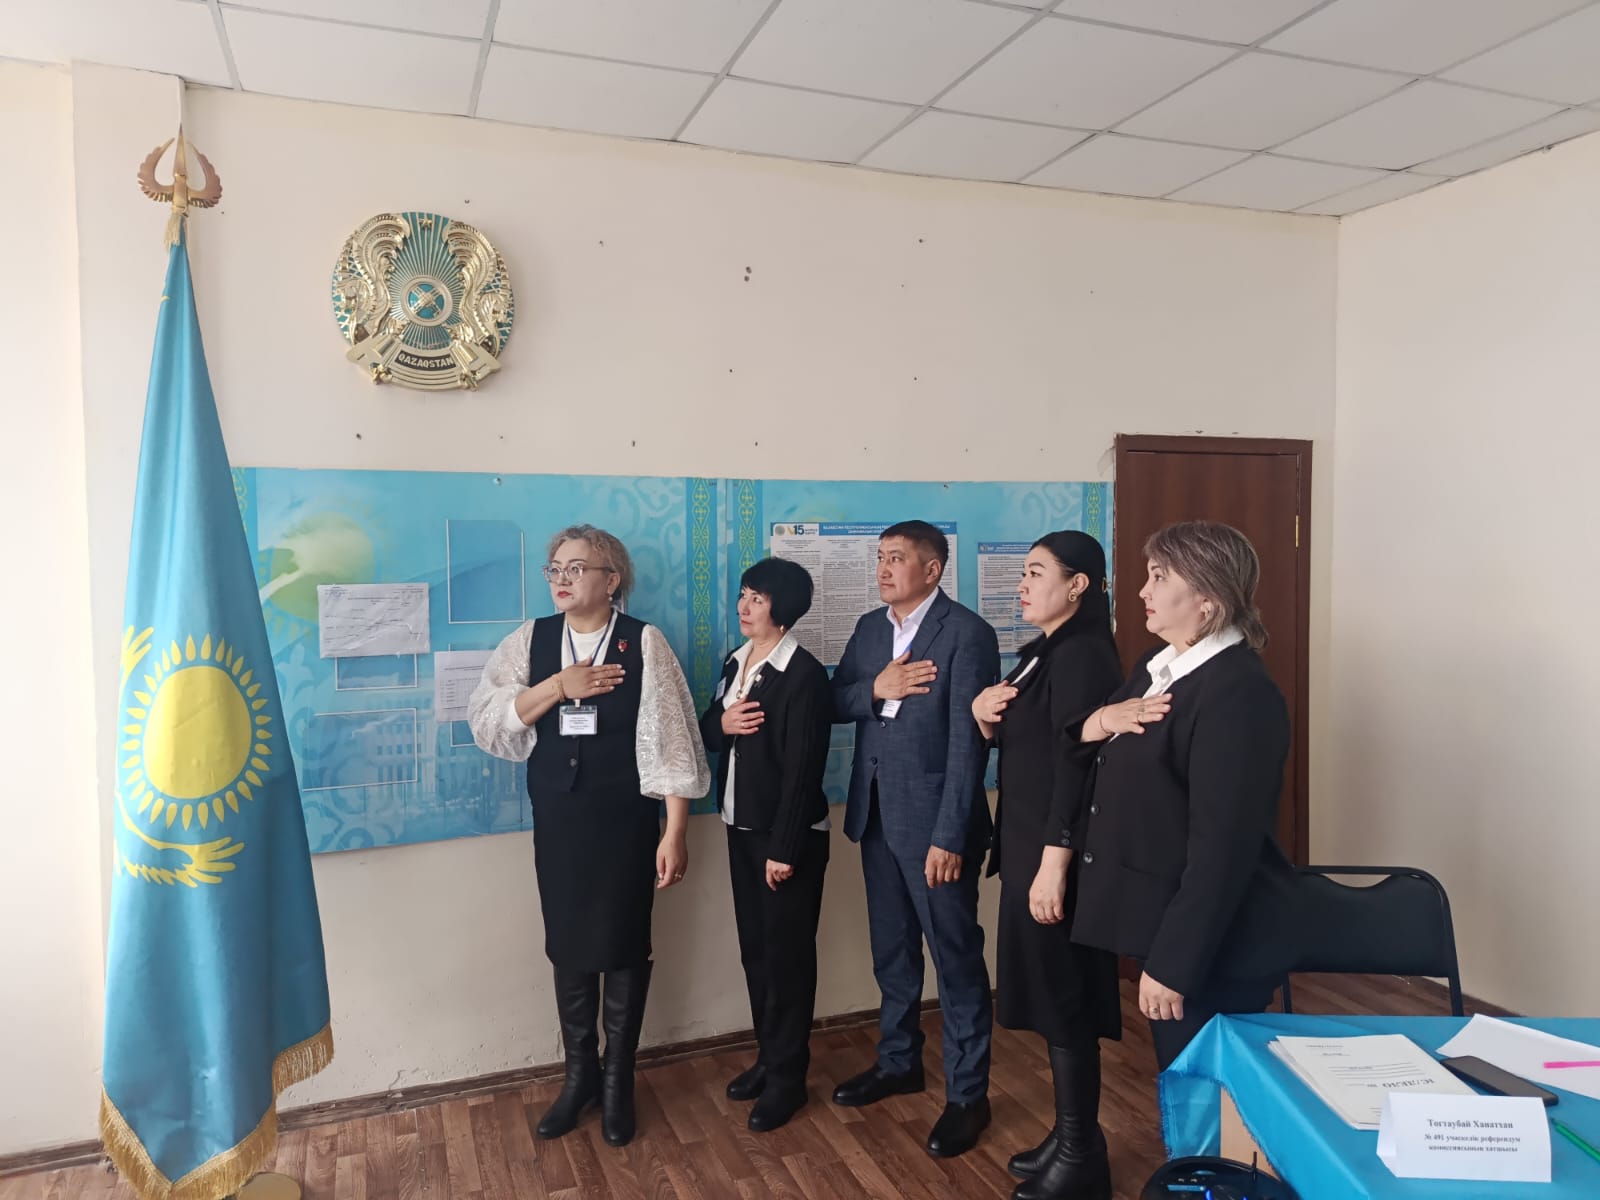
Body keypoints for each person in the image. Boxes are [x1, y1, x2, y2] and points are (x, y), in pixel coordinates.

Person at [467, 524, 710, 1147]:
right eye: (555, 568)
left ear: (612, 579)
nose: (562, 578)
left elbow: (672, 742)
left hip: (625, 822)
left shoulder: (643, 641)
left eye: (576, 568)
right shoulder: (532, 639)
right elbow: (489, 718)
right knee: (568, 943)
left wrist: (675, 831)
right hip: (560, 821)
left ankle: (617, 1082)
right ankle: (579, 1078)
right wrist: (557, 686)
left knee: (625, 943)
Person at [1070, 520, 1302, 1072]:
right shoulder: (1157, 670)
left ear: (1208, 598)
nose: (1142, 591)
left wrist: (1175, 962)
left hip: (1211, 947)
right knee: (1188, 1087)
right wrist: (1099, 722)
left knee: (1208, 1094)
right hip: (1164, 922)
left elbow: (1223, 847)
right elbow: (1093, 747)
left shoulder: (1237, 693)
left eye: (1159, 577)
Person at [830, 520, 1001, 1158]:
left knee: (955, 959)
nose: (883, 568)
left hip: (936, 828)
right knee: (892, 952)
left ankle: (968, 1095)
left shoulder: (966, 633)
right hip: (876, 815)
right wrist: (874, 689)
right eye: (879, 557)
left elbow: (969, 743)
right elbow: (835, 699)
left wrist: (950, 834)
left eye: (896, 558)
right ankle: (899, 1062)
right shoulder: (870, 629)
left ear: (932, 570)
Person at [970, 531, 1123, 1200]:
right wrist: (982, 715)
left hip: (1056, 856)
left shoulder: (1084, 654)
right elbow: (1028, 736)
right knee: (1049, 995)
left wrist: (1054, 863)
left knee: (1066, 1000)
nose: (1022, 585)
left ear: (1078, 584)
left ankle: (1083, 1155)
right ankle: (1069, 1136)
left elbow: (1077, 765)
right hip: (1029, 846)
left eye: (1036, 573)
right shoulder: (1043, 652)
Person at [698, 557, 833, 1134]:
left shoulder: (803, 675)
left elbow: (804, 769)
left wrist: (785, 847)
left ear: (783, 606)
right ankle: (769, 1057)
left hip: (786, 839)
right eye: (743, 595)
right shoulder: (737, 661)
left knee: (787, 958)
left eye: (756, 598)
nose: (744, 606)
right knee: (756, 951)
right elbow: (710, 728)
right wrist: (723, 725)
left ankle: (789, 1079)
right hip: (741, 827)